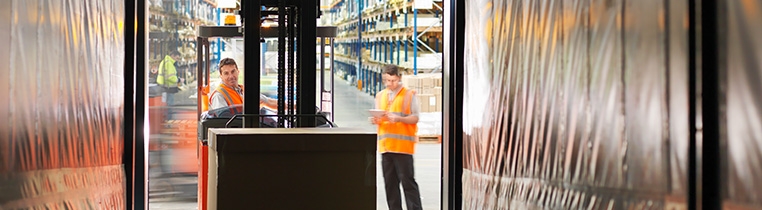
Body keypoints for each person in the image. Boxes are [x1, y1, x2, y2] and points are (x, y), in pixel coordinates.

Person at [370, 64, 422, 210]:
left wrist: (400, 119)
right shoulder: (380, 96)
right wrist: (376, 120)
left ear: (399, 78)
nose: (389, 84)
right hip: (386, 148)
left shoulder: (409, 95)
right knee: (390, 185)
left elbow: (415, 118)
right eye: (386, 80)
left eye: (392, 80)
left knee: (408, 183)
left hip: (403, 148)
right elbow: (381, 118)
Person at [208, 58, 279, 114]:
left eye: (233, 71)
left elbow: (268, 102)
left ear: (238, 72)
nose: (231, 76)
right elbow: (223, 120)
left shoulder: (243, 90)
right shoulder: (219, 95)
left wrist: (288, 106)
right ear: (221, 76)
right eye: (226, 73)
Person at [157, 50, 183, 119]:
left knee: (167, 104)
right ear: (172, 56)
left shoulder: (166, 62)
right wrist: (179, 80)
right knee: (169, 105)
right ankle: (168, 120)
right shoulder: (168, 63)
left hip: (165, 87)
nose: (177, 60)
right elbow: (170, 77)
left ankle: (167, 119)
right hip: (168, 88)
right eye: (176, 58)